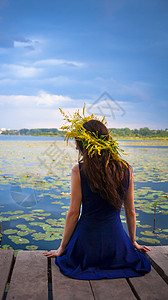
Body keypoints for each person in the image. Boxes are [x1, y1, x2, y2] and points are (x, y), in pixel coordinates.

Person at [43, 105, 152, 280]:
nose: (77, 148)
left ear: (83, 144)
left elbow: (73, 213)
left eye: (78, 143)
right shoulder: (126, 169)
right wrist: (132, 242)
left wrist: (61, 248)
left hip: (85, 247)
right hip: (117, 246)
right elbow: (131, 211)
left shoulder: (79, 170)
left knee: (71, 261)